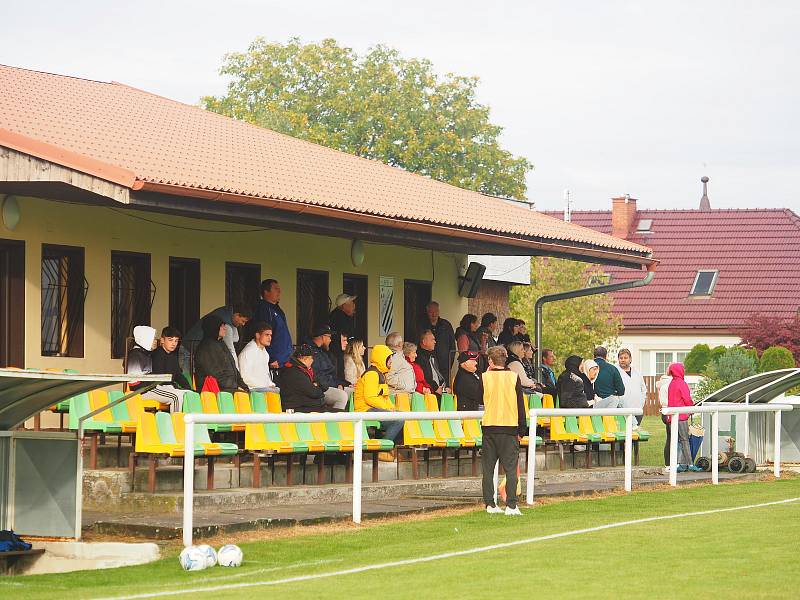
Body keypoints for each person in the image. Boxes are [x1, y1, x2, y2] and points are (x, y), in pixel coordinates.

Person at [481, 346, 527, 516]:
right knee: (510, 469)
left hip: (489, 428)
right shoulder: (514, 377)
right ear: (505, 360)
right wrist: (522, 429)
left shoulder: (484, 377)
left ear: (490, 361)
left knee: (488, 469)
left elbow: (481, 398)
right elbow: (520, 406)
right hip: (509, 428)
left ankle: (490, 505)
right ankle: (511, 505)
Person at [354, 344, 404, 460]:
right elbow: (370, 398)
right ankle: (383, 450)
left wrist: (392, 408)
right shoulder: (372, 374)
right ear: (382, 358)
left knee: (402, 416)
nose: (391, 361)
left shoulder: (381, 374)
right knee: (398, 419)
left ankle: (390, 449)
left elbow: (384, 398)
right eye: (389, 358)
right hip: (365, 410)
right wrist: (388, 410)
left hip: (374, 409)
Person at [193, 314, 249, 393]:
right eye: (222, 326)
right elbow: (216, 375)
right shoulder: (206, 347)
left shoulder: (221, 343)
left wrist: (243, 386)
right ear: (213, 328)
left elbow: (234, 370)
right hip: (215, 391)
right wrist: (236, 386)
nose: (225, 328)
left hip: (228, 388)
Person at [185, 306, 251, 367]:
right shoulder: (226, 323)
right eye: (243, 321)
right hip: (189, 351)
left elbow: (236, 338)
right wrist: (236, 370)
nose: (243, 324)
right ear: (237, 315)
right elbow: (231, 349)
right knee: (187, 379)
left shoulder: (229, 315)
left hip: (198, 351)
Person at [279, 344, 338, 413]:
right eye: (311, 358)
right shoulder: (294, 372)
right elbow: (314, 393)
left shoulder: (305, 370)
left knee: (341, 413)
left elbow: (323, 384)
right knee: (341, 415)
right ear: (305, 359)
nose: (313, 360)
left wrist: (318, 385)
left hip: (308, 406)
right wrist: (319, 388)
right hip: (299, 409)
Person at [666, 362, 701, 472]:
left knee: (676, 441)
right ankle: (690, 464)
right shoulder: (682, 383)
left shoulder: (671, 383)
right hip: (681, 417)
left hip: (672, 417)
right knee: (684, 440)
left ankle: (679, 464)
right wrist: (691, 408)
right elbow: (686, 399)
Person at [307, 324, 350, 410]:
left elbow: (331, 374)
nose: (330, 340)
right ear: (323, 337)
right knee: (341, 396)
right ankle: (335, 422)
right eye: (329, 337)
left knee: (354, 392)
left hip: (331, 385)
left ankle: (352, 422)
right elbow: (316, 376)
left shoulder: (323, 352)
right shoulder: (309, 352)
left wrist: (342, 384)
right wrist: (335, 385)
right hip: (320, 388)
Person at [150, 326, 193, 411]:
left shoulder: (173, 356)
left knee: (191, 394)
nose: (173, 343)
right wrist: (175, 387)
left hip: (170, 387)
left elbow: (178, 375)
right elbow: (160, 377)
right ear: (162, 340)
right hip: (158, 387)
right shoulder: (156, 354)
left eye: (176, 341)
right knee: (179, 396)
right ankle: (176, 421)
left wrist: (188, 388)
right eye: (170, 340)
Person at [252, 279, 292, 367]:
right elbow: (264, 335)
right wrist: (271, 358)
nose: (279, 291)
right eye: (276, 289)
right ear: (266, 292)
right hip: (275, 360)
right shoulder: (263, 309)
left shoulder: (277, 309)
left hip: (284, 358)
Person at [418, 301, 456, 382]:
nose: (434, 314)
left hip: (444, 364)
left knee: (445, 388)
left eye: (436, 311)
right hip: (428, 363)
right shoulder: (422, 324)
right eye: (431, 312)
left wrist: (449, 363)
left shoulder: (446, 325)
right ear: (427, 312)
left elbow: (452, 345)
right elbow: (419, 343)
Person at [237, 322, 279, 392]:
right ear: (258, 335)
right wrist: (265, 385)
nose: (270, 338)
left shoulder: (264, 352)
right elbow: (245, 378)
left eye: (270, 335)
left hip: (264, 387)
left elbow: (266, 374)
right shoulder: (248, 352)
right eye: (267, 335)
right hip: (251, 389)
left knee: (277, 390)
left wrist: (270, 384)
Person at [616, 348, 647, 426]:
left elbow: (643, 389)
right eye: (621, 358)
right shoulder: (615, 372)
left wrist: (641, 403)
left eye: (625, 358)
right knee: (623, 436)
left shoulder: (637, 372)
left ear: (630, 359)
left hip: (638, 410)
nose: (623, 360)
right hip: (622, 411)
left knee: (635, 436)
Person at [415, 329, 449, 395]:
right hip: (429, 392)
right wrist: (436, 388)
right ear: (424, 342)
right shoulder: (418, 357)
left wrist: (445, 387)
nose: (435, 342)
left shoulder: (432, 355)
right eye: (432, 339)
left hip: (439, 389)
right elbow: (425, 377)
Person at [656, 366, 673, 473]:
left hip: (665, 412)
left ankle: (668, 463)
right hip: (669, 412)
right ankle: (669, 463)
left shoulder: (661, 383)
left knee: (669, 438)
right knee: (671, 438)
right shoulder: (668, 384)